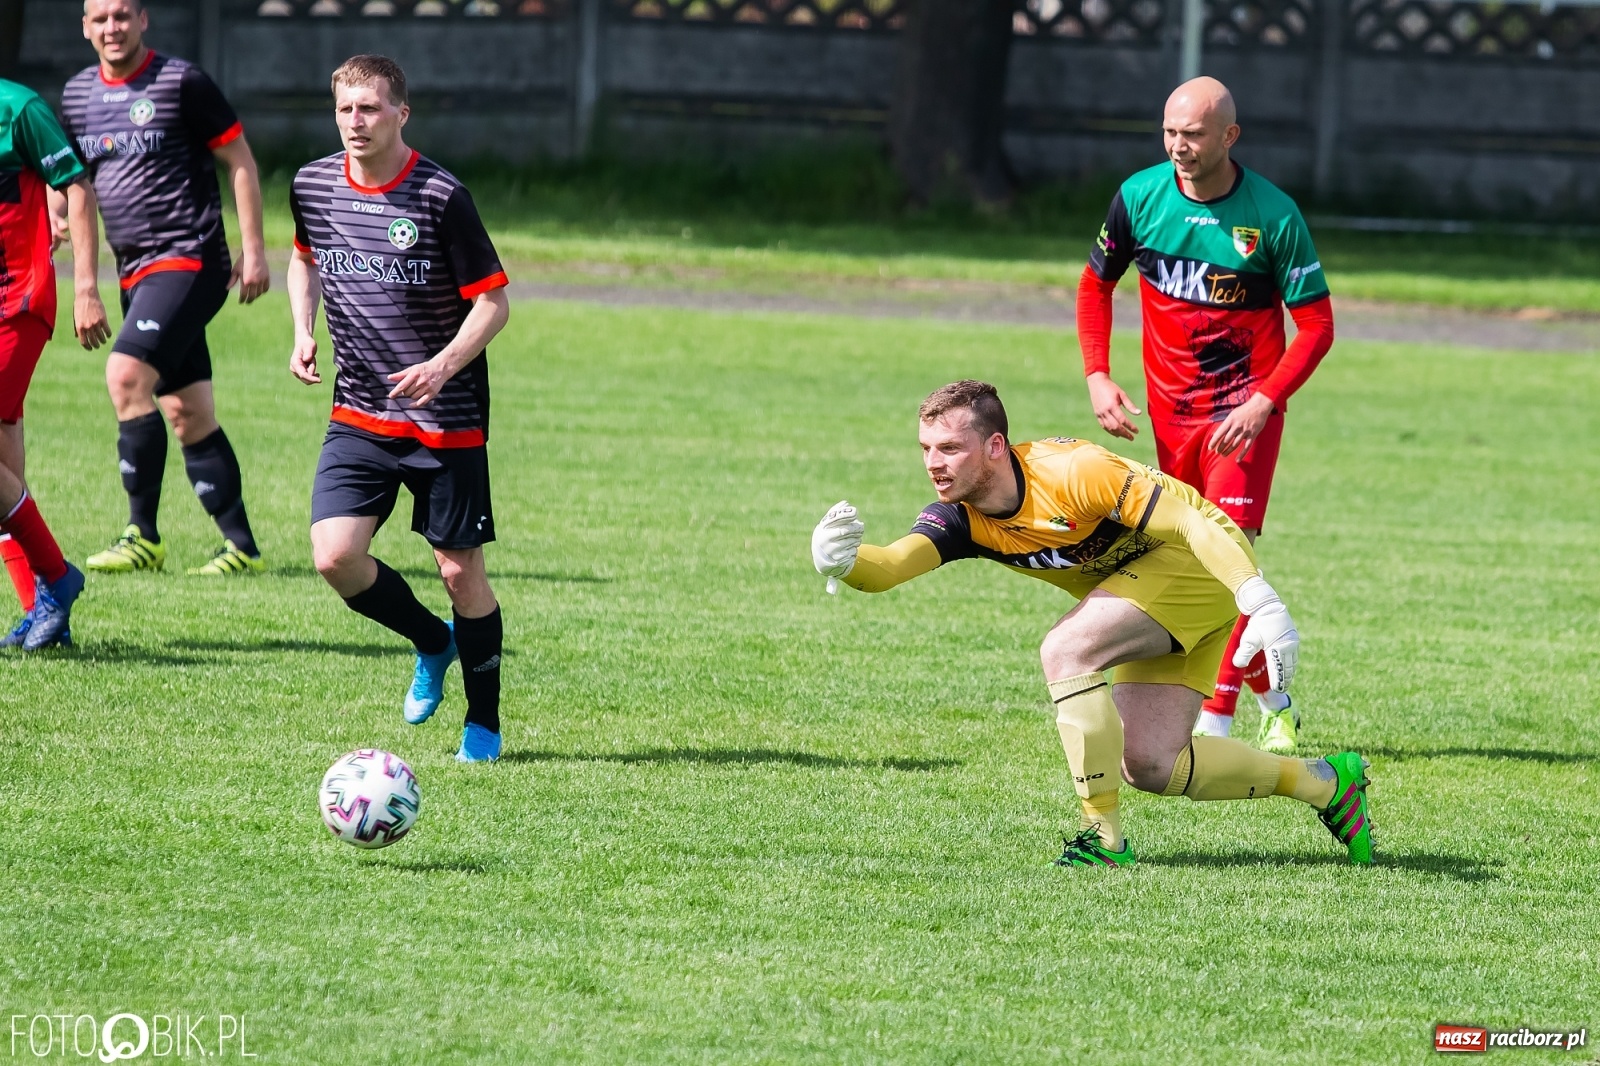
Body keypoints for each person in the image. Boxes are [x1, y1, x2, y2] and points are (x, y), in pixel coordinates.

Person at [810, 380, 1372, 867]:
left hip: (1198, 563)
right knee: (1152, 765)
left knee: (1066, 649)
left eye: (951, 448)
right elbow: (889, 568)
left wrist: (1258, 597)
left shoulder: (1073, 471)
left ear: (995, 446)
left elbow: (1192, 519)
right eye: (927, 448)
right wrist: (843, 562)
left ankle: (1105, 839)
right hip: (1155, 594)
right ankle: (1323, 781)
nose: (934, 463)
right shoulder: (961, 519)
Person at [1075, 77, 1335, 753]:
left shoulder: (1273, 217)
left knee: (1223, 561)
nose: (1178, 147)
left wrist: (1263, 400)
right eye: (1169, 132)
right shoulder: (1139, 198)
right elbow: (1094, 286)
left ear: (1229, 137)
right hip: (1172, 418)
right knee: (1196, 558)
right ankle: (1274, 700)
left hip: (1242, 417)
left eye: (1192, 135)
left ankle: (1213, 721)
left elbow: (1316, 326)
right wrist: (1098, 374)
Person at [286, 55, 510, 763]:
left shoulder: (442, 196)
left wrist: (443, 365)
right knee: (335, 556)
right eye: (346, 109)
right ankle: (430, 640)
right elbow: (305, 258)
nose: (358, 121)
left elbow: (493, 303)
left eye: (372, 108)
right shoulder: (313, 184)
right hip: (359, 411)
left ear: (400, 114)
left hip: (447, 419)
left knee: (457, 572)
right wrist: (302, 328)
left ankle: (484, 721)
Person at [61, 0, 269, 576]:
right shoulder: (78, 95)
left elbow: (242, 161)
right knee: (188, 410)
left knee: (126, 376)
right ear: (85, 27)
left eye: (122, 15)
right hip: (136, 271)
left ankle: (143, 535)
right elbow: (73, 180)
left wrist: (254, 250)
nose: (112, 28)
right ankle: (243, 548)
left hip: (189, 259)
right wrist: (57, 217)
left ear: (143, 20)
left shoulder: (181, 83)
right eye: (100, 18)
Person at [0, 79, 94, 649]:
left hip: (16, 301)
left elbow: (74, 184)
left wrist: (87, 287)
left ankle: (57, 578)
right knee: (4, 462)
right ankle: (41, 610)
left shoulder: (19, 109)